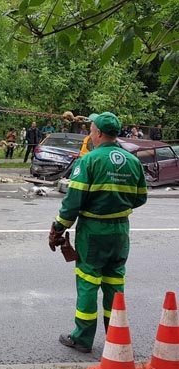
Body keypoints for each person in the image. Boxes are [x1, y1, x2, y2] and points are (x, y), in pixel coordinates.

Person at [48, 112, 147, 353]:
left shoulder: (89, 161)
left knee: (88, 282)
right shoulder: (132, 161)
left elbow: (73, 202)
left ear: (99, 133)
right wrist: (117, 206)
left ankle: (82, 339)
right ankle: (115, 336)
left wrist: (58, 227)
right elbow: (141, 197)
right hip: (121, 231)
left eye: (91, 130)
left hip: (93, 231)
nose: (89, 134)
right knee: (114, 282)